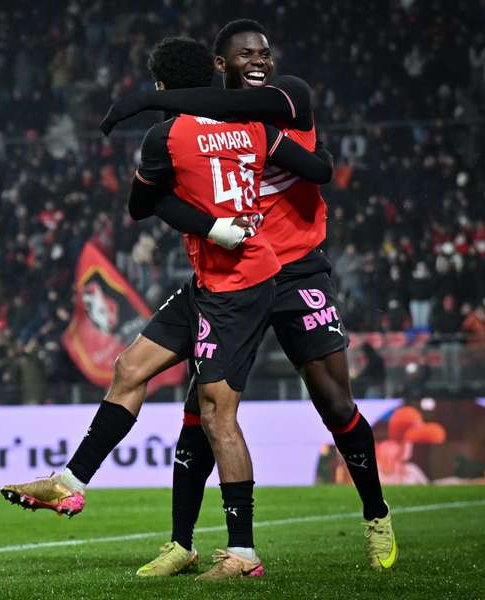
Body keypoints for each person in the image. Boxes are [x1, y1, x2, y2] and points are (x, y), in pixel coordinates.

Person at [1, 35, 333, 581]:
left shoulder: (167, 136)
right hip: (217, 277)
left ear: (161, 87)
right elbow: (313, 169)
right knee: (130, 367)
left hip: (242, 286)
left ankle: (244, 554)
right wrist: (319, 161)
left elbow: (139, 206)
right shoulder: (256, 127)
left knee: (216, 413)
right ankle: (70, 481)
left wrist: (202, 220)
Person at [101, 19, 395, 575]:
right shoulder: (209, 125)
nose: (259, 61)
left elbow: (318, 167)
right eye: (245, 55)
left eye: (264, 52)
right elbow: (157, 195)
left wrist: (144, 101)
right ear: (221, 64)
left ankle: (376, 512)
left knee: (333, 402)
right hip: (236, 275)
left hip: (299, 271)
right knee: (203, 407)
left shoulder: (289, 96)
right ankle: (181, 542)